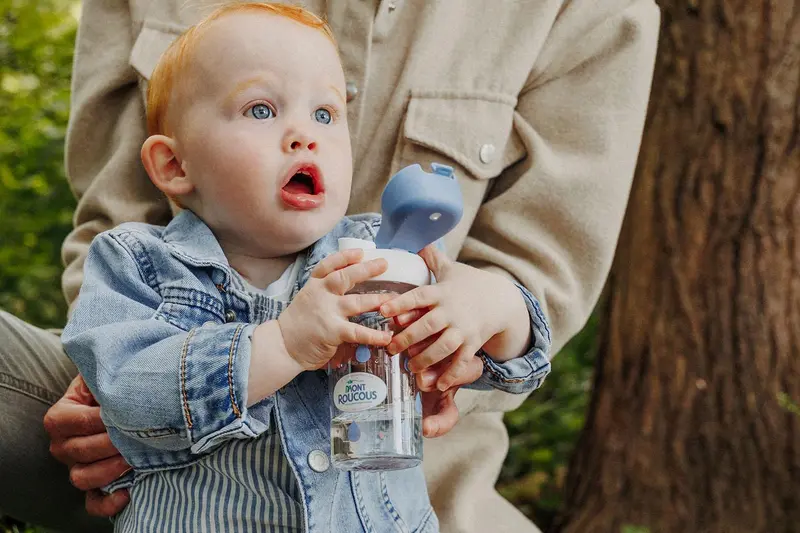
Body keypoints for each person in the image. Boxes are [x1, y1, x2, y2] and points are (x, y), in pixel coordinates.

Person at [0, 0, 660, 532]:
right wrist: (137, 397)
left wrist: (488, 307)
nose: (304, 134)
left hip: (389, 490)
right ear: (173, 165)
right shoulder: (138, 262)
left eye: (325, 113)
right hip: (176, 479)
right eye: (261, 109)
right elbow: (112, 258)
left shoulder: (375, 255)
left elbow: (523, 323)